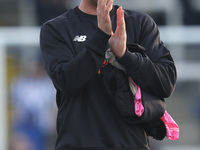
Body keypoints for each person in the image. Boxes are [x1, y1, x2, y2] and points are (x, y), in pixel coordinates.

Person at [40, 0, 177, 150]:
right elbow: (68, 82)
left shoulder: (139, 23)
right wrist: (101, 37)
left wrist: (125, 56)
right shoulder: (56, 28)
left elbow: (166, 83)